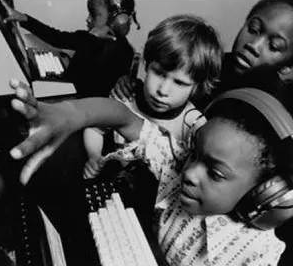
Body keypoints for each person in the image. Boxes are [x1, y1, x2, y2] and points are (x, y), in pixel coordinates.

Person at [8, 78, 293, 266]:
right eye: (194, 154)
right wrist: (75, 114)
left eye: (215, 172)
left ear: (258, 194)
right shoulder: (176, 167)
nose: (189, 172)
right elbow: (124, 118)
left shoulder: (257, 253)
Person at [111, 0, 293, 108]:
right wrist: (132, 88)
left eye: (273, 46)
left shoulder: (269, 107)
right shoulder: (206, 62)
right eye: (253, 29)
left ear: (288, 66)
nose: (253, 45)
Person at [83, 14, 222, 178]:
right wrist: (94, 156)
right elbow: (95, 129)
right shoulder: (125, 97)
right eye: (158, 73)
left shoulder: (195, 124)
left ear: (197, 87)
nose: (163, 90)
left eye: (179, 83)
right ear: (147, 64)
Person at [4, 0, 137, 98]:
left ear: (117, 21)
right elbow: (58, 38)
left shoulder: (123, 52)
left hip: (83, 110)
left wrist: (91, 38)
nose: (88, 19)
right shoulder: (88, 37)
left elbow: (87, 84)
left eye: (93, 14)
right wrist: (24, 19)